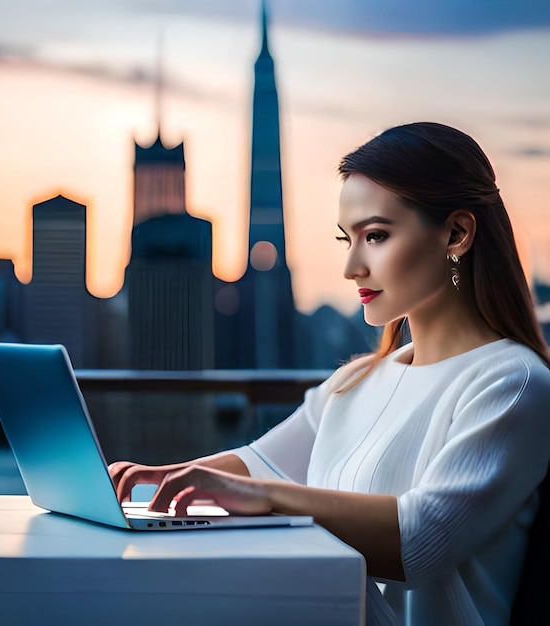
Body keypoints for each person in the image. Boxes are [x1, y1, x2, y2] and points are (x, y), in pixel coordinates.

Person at [109, 122, 550, 625]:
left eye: (376, 236)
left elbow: (419, 541)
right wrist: (154, 480)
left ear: (456, 233)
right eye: (349, 239)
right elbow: (259, 466)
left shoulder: (512, 384)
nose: (351, 267)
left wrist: (264, 498)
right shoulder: (356, 380)